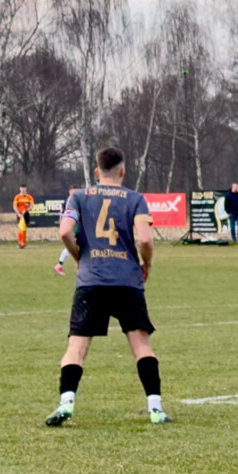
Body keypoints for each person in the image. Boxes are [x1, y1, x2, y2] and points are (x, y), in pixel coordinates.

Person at [45, 147, 171, 426]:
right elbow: (146, 241)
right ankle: (156, 408)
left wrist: (79, 256)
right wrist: (146, 264)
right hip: (127, 279)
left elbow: (65, 231)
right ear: (123, 171)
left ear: (96, 171)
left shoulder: (78, 196)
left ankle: (66, 402)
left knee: (76, 346)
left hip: (92, 279)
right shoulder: (135, 199)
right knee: (141, 345)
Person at [54, 185, 80, 274]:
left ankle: (59, 265)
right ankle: (59, 265)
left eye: (76, 191)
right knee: (73, 246)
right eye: (73, 191)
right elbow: (61, 216)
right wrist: (62, 226)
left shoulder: (78, 201)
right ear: (69, 191)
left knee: (75, 247)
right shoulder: (67, 203)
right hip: (72, 228)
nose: (75, 193)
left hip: (78, 227)